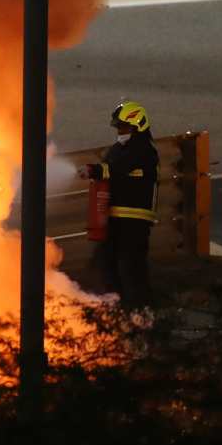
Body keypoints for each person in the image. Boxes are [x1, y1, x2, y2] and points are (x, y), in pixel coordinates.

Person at [79, 100, 159, 309]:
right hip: (114, 218)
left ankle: (142, 314)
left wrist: (94, 170)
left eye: (124, 127)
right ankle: (119, 311)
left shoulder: (144, 150)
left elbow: (117, 169)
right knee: (107, 266)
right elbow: (110, 167)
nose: (120, 131)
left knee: (131, 269)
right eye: (119, 127)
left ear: (137, 126)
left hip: (135, 221)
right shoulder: (117, 149)